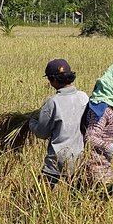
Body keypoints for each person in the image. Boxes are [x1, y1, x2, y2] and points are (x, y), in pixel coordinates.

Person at [29, 59, 89, 188]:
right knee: (77, 197)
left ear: (53, 80)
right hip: (80, 157)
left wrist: (32, 123)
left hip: (57, 159)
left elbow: (42, 133)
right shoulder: (84, 97)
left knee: (38, 195)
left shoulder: (53, 102)